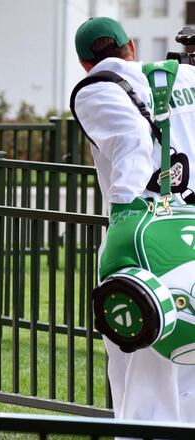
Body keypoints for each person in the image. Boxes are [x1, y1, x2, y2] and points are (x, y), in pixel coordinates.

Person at [71, 17, 195, 426]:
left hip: (148, 242)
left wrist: (125, 213)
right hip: (191, 228)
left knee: (144, 367)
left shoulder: (96, 90)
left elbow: (132, 143)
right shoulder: (185, 77)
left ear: (85, 63)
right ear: (132, 47)